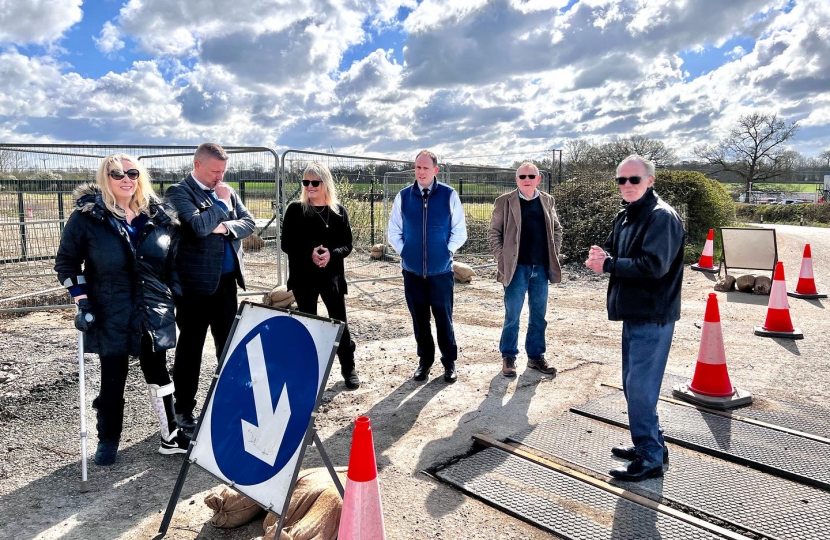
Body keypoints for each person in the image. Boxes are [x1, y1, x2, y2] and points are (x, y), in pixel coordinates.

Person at [55, 153, 188, 465]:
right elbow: (67, 264)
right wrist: (82, 301)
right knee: (113, 376)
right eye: (117, 174)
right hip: (110, 308)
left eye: (132, 172)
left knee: (158, 372)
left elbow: (172, 264)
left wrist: (177, 296)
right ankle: (108, 438)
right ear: (106, 178)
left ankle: (171, 435)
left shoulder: (158, 217)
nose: (126, 179)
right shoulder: (88, 218)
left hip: (152, 309)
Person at [585, 154, 685, 481]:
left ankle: (650, 458)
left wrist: (609, 265)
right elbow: (618, 251)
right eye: (621, 180)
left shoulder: (662, 218)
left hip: (652, 315)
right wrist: (604, 255)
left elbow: (654, 266)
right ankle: (651, 443)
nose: (626, 185)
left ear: (650, 181)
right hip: (633, 313)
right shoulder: (627, 215)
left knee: (640, 388)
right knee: (633, 385)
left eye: (634, 179)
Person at [164, 143, 255, 430]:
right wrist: (221, 207)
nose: (220, 176)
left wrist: (225, 227)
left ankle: (227, 400)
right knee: (191, 348)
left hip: (227, 284)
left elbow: (249, 223)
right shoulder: (178, 192)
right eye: (215, 171)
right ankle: (184, 409)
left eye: (223, 171)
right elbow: (197, 227)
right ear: (198, 165)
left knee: (227, 345)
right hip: (194, 288)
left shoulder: (227, 191)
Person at [388, 149, 467, 383]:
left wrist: (446, 251)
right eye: (417, 167)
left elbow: (459, 231)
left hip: (441, 272)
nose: (420, 172)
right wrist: (407, 252)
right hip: (412, 272)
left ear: (435, 170)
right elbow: (394, 232)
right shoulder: (403, 196)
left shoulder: (448, 195)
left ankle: (449, 362)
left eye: (425, 168)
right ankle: (425, 361)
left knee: (444, 318)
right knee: (420, 319)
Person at [281, 163, 360, 389]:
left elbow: (347, 245)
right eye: (306, 182)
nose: (310, 187)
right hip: (303, 277)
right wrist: (310, 254)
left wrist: (331, 255)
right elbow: (287, 244)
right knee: (309, 324)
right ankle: (310, 373)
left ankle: (348, 367)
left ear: (325, 183)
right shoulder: (295, 210)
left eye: (314, 182)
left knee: (340, 322)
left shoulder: (338, 211)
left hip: (332, 278)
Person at [488, 162, 562, 378]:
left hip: (540, 267)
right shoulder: (504, 202)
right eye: (522, 176)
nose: (527, 179)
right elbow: (494, 232)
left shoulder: (547, 200)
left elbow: (556, 229)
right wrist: (502, 258)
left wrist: (553, 252)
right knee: (513, 315)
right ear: (517, 179)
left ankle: (536, 357)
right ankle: (508, 356)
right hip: (516, 268)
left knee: (539, 316)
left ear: (538, 179)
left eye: (531, 175)